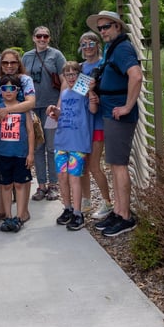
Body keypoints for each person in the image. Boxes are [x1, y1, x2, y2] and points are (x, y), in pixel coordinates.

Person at [87, 11, 143, 238]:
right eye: (100, 28)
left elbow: (136, 76)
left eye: (107, 26)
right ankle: (119, 211)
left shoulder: (122, 49)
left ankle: (125, 217)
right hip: (111, 114)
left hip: (119, 115)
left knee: (118, 166)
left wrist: (128, 106)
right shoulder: (114, 49)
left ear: (118, 27)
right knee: (114, 164)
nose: (103, 31)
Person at [0, 49, 36, 224]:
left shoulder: (25, 80)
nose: (9, 66)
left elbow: (30, 102)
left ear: (18, 63)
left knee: (22, 175)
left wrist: (7, 109)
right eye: (5, 62)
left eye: (13, 62)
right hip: (4, 133)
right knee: (4, 180)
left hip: (23, 125)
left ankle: (23, 211)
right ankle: (3, 210)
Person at [47, 61, 93, 231]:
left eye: (74, 74)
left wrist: (92, 94)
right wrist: (54, 110)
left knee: (75, 178)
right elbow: (61, 115)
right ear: (64, 77)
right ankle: (67, 208)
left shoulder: (85, 93)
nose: (71, 77)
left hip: (78, 142)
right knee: (62, 177)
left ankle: (78, 212)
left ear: (79, 76)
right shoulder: (64, 93)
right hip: (62, 141)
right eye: (68, 74)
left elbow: (93, 109)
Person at [22, 26, 66, 201]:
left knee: (51, 147)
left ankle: (53, 185)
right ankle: (41, 185)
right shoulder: (26, 56)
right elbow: (22, 80)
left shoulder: (56, 55)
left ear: (49, 38)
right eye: (39, 36)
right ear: (34, 38)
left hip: (50, 108)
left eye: (45, 36)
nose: (42, 39)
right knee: (37, 147)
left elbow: (64, 81)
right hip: (33, 108)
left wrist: (58, 105)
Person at [79, 31, 113, 220]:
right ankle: (86, 200)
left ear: (98, 44)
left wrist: (91, 90)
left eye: (91, 43)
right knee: (83, 165)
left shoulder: (104, 64)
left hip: (98, 121)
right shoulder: (81, 67)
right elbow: (80, 92)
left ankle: (107, 201)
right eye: (84, 44)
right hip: (84, 122)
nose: (88, 47)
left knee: (94, 165)